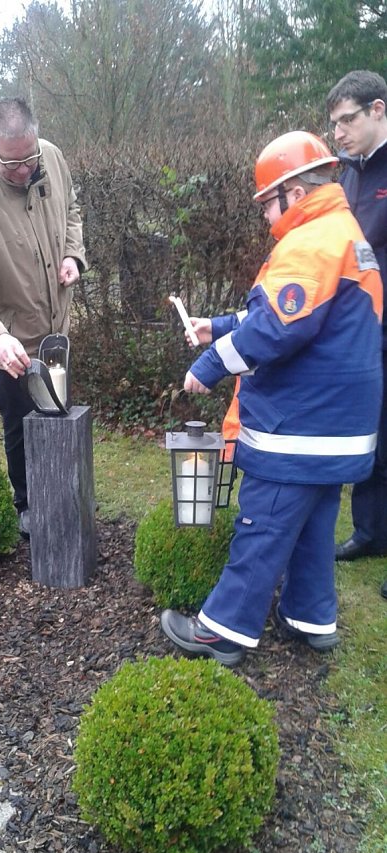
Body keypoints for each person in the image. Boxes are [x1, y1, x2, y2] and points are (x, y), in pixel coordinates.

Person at [161, 131, 383, 666]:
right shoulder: (343, 233)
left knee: (262, 525)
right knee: (313, 527)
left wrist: (208, 366)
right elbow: (290, 312)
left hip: (298, 424)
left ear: (295, 192)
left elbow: (276, 329)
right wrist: (217, 326)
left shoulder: (310, 242)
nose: (265, 214)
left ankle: (223, 630)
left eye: (267, 202)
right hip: (338, 427)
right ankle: (311, 617)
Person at [0, 98, 87, 537]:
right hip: (12, 343)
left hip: (56, 332)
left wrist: (72, 254)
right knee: (21, 427)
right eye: (12, 163)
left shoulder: (52, 158)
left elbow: (72, 211)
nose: (25, 170)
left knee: (61, 414)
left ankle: (64, 496)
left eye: (30, 158)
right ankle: (27, 504)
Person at [325, 70, 387, 566]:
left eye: (347, 120)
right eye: (334, 124)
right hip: (363, 330)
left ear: (378, 110)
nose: (338, 132)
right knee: (373, 434)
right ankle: (370, 531)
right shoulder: (347, 173)